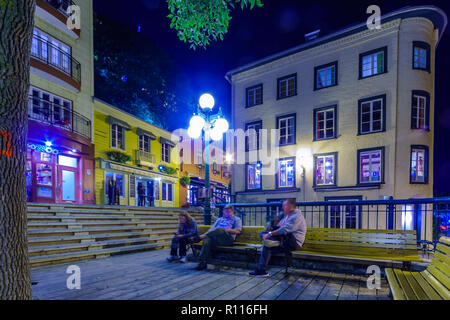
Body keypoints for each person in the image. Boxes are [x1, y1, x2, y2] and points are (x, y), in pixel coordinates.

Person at [249, 199, 307, 277]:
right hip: (284, 240)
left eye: (284, 206)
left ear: (290, 206)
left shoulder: (296, 216)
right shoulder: (286, 216)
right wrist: (273, 225)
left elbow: (284, 229)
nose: (282, 208)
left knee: (267, 241)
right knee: (266, 242)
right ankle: (262, 270)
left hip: (293, 242)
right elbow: (279, 227)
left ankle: (273, 242)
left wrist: (270, 234)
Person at [194, 205, 242, 271]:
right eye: (226, 211)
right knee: (207, 239)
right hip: (217, 239)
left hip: (228, 240)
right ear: (223, 211)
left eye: (229, 212)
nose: (227, 213)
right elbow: (212, 229)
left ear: (232, 212)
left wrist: (226, 230)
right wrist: (206, 234)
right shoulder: (220, 219)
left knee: (219, 229)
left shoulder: (237, 219)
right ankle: (202, 262)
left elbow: (238, 231)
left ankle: (200, 237)